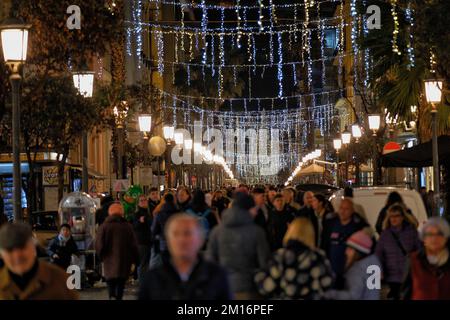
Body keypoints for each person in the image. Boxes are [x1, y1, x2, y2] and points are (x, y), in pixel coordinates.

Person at [139, 214, 232, 300]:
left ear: (201, 239)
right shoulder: (152, 279)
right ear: (168, 240)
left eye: (187, 233)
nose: (181, 240)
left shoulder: (216, 276)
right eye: (175, 234)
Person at [206, 192, 271, 299]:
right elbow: (264, 263)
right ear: (247, 209)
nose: (256, 212)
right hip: (249, 289)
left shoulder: (217, 231)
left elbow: (210, 261)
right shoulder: (256, 232)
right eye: (254, 209)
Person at [255, 218, 334, 299]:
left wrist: (259, 275)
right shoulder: (318, 256)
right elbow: (327, 283)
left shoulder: (281, 256)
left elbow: (267, 287)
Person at [0, 223, 78, 300]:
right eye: (9, 250)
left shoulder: (60, 280)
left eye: (22, 247)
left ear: (34, 247)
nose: (17, 256)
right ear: (1, 254)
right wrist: (53, 254)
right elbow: (49, 249)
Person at [321, 198, 370, 288]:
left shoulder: (357, 226)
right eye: (341, 208)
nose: (343, 212)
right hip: (333, 272)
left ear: (352, 211)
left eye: (346, 209)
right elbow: (324, 244)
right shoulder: (331, 223)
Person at [375, 204, 420, 300]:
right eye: (391, 216)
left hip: (409, 274)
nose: (393, 219)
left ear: (403, 217)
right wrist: (380, 269)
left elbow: (419, 251)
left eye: (397, 216)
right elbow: (379, 254)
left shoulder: (411, 232)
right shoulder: (385, 234)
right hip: (392, 276)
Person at [95, 203, 139, 300]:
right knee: (120, 285)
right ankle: (118, 297)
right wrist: (136, 259)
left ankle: (111, 296)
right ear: (122, 213)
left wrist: (101, 256)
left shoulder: (104, 226)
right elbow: (133, 245)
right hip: (124, 261)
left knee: (110, 283)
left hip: (109, 262)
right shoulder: (127, 226)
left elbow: (99, 244)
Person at [402, 217, 450, 300]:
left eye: (439, 234)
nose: (434, 238)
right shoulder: (413, 260)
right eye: (430, 234)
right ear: (424, 239)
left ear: (445, 238)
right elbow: (405, 293)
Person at [324, 231, 381, 300]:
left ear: (358, 252)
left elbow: (353, 296)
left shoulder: (357, 270)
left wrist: (329, 293)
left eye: (350, 249)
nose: (346, 252)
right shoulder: (373, 262)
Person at [152, 193, 179, 259]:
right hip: (177, 243)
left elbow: (154, 230)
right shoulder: (179, 213)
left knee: (165, 264)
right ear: (173, 200)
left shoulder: (159, 214)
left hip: (164, 244)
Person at [133, 195, 153, 281]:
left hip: (149, 241)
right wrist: (139, 221)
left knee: (148, 263)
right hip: (141, 242)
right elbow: (134, 226)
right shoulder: (137, 214)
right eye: (141, 200)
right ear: (138, 203)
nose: (144, 202)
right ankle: (142, 282)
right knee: (142, 263)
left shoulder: (149, 212)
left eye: (145, 200)